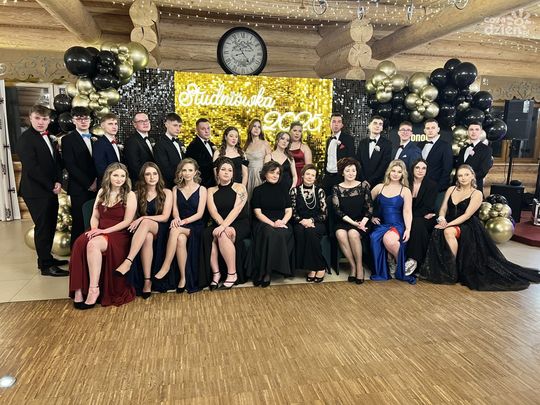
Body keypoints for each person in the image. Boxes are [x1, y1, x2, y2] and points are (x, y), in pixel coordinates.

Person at [420, 164, 540, 291]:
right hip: (449, 220)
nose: (463, 178)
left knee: (448, 231)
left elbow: (467, 215)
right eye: (460, 175)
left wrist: (447, 225)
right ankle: (441, 266)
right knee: (437, 228)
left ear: (472, 176)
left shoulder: (476, 193)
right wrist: (442, 219)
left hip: (468, 225)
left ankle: (451, 270)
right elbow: (443, 208)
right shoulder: (451, 189)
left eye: (466, 175)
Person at [69, 163, 137, 309]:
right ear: (109, 176)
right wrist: (95, 229)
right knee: (79, 243)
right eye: (115, 175)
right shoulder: (101, 192)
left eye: (122, 176)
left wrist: (104, 232)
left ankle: (94, 289)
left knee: (93, 245)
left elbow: (127, 222)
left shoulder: (130, 195)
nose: (119, 179)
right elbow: (95, 216)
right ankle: (78, 290)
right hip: (99, 229)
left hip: (118, 233)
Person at [17, 104, 68, 277]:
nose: (40, 122)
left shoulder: (48, 137)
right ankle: (46, 266)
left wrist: (59, 181)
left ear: (49, 120)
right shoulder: (26, 139)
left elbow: (56, 163)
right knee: (43, 228)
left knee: (50, 225)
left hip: (49, 188)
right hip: (36, 191)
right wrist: (51, 185)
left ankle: (47, 258)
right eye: (37, 118)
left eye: (44, 119)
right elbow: (33, 168)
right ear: (30, 118)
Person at [115, 162, 173, 299]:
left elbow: (165, 217)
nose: (152, 177)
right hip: (144, 231)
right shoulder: (136, 194)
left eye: (154, 173)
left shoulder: (167, 192)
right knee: (147, 236)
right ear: (143, 177)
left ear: (159, 175)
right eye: (148, 174)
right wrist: (139, 220)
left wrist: (143, 218)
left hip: (162, 228)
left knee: (146, 222)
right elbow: (133, 218)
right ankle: (147, 281)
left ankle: (128, 261)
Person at [154, 158, 207, 293]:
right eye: (184, 170)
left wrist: (183, 222)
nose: (187, 173)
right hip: (181, 226)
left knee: (174, 231)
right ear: (180, 172)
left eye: (190, 170)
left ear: (195, 172)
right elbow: (175, 210)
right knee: (180, 239)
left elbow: (200, 214)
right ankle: (183, 278)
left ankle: (166, 266)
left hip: (196, 226)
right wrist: (177, 218)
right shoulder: (175, 189)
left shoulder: (202, 189)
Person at [201, 157, 250, 290]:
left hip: (239, 222)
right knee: (207, 234)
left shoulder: (240, 187)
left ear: (233, 173)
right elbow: (213, 211)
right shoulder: (211, 190)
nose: (226, 172)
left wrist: (223, 227)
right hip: (219, 222)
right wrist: (222, 225)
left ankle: (232, 274)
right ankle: (216, 274)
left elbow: (236, 210)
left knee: (222, 235)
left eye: (230, 170)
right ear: (217, 172)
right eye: (223, 169)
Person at [370, 160, 416, 284]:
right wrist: (371, 217)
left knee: (389, 239)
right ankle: (394, 262)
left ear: (403, 174)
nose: (395, 174)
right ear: (389, 172)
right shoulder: (379, 187)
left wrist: (408, 229)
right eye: (393, 171)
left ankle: (400, 264)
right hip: (382, 224)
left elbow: (407, 211)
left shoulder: (405, 190)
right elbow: (367, 204)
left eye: (399, 172)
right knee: (374, 237)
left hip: (398, 225)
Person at [251, 161, 294, 287]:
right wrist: (272, 223)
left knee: (280, 233)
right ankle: (263, 271)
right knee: (269, 232)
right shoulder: (258, 190)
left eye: (278, 173)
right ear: (265, 173)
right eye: (272, 172)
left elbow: (289, 210)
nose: (275, 175)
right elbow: (258, 213)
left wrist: (283, 222)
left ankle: (266, 273)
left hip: (282, 222)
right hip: (263, 222)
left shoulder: (284, 189)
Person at [61, 107, 98, 248]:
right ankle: (75, 254)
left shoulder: (97, 138)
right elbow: (70, 165)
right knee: (79, 221)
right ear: (73, 120)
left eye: (86, 118)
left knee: (95, 220)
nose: (83, 121)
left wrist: (97, 181)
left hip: (98, 186)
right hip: (79, 188)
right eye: (79, 118)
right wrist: (89, 184)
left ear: (90, 120)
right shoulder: (67, 140)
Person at [332, 157, 373, 284]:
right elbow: (337, 210)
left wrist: (362, 223)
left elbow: (370, 208)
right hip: (344, 221)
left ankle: (360, 267)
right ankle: (353, 266)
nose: (351, 173)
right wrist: (353, 223)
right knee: (340, 233)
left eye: (353, 170)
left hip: (362, 221)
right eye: (348, 170)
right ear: (342, 172)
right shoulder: (336, 188)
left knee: (353, 233)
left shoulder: (363, 186)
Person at [290, 164, 327, 282]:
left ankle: (320, 266)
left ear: (315, 178)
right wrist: (302, 221)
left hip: (317, 221)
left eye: (313, 175)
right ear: (302, 175)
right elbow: (292, 212)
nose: (310, 177)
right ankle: (312, 267)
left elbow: (324, 214)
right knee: (300, 231)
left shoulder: (320, 191)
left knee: (311, 232)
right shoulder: (294, 191)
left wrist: (311, 220)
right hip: (299, 221)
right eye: (308, 174)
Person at [404, 158, 438, 275]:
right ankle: (419, 262)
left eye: (424, 168)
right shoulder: (405, 182)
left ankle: (413, 259)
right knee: (417, 224)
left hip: (426, 217)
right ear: (412, 169)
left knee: (418, 224)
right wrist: (407, 215)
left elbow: (427, 207)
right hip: (408, 215)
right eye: (417, 167)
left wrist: (410, 216)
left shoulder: (432, 185)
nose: (420, 170)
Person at [417, 119, 453, 206]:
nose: (430, 130)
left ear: (438, 129)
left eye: (433, 128)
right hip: (419, 188)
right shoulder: (419, 145)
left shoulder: (445, 146)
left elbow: (447, 169)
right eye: (428, 128)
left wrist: (438, 188)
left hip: (436, 188)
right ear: (424, 130)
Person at [454, 122, 493, 194]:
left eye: (477, 129)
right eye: (471, 129)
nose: (474, 132)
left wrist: (465, 179)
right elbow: (458, 169)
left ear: (480, 132)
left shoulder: (487, 150)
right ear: (468, 132)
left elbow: (483, 171)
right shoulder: (463, 150)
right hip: (459, 188)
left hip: (475, 188)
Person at [321, 113, 355, 195]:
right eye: (334, 121)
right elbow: (327, 158)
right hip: (328, 176)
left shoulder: (348, 139)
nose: (336, 124)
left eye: (339, 122)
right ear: (330, 124)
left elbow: (351, 159)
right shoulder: (328, 140)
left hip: (340, 176)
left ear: (342, 125)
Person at [356, 115, 393, 188]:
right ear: (369, 125)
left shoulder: (387, 144)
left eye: (380, 124)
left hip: (378, 183)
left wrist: (370, 181)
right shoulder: (362, 143)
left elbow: (384, 165)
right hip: (361, 182)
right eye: (375, 123)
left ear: (382, 128)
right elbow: (358, 162)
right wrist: (363, 180)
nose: (377, 126)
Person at [154, 113, 185, 189]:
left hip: (183, 183)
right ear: (166, 125)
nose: (178, 129)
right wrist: (179, 180)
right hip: (169, 185)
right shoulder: (160, 144)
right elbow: (164, 168)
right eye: (175, 125)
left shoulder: (180, 143)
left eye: (180, 126)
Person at [124, 112, 155, 186]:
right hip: (140, 184)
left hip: (151, 182)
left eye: (146, 120)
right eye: (141, 121)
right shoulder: (131, 141)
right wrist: (147, 181)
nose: (145, 123)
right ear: (135, 125)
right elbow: (134, 167)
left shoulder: (151, 139)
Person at [186, 118, 216, 188]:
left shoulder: (211, 144)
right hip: (201, 185)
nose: (207, 131)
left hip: (213, 184)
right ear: (197, 130)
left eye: (208, 128)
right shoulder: (193, 146)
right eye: (203, 129)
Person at [244, 118, 271, 197]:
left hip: (260, 174)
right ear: (250, 128)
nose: (256, 129)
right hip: (248, 175)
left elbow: (269, 163)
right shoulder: (246, 145)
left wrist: (265, 175)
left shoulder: (265, 143)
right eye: (254, 126)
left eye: (259, 127)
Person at [93, 113, 121, 186]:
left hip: (118, 184)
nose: (114, 126)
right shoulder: (99, 144)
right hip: (107, 185)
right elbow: (101, 169)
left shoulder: (114, 143)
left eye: (116, 124)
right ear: (102, 126)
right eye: (110, 124)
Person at [289, 121, 313, 186]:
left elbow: (309, 168)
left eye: (299, 131)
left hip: (300, 177)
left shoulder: (305, 147)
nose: (297, 133)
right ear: (290, 131)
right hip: (287, 176)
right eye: (295, 130)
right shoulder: (285, 146)